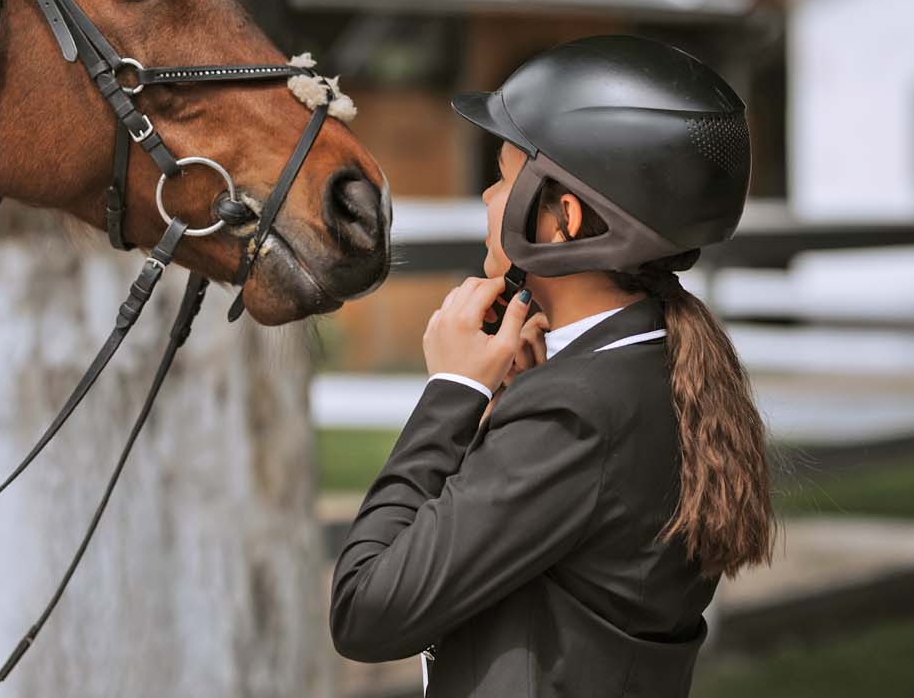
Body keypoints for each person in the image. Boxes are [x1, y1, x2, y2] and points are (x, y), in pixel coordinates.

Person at [330, 35, 775, 697]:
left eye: (504, 178)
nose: (485, 197)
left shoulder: (577, 413)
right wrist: (510, 403)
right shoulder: (644, 366)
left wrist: (450, 393)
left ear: (562, 218)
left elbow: (366, 610)